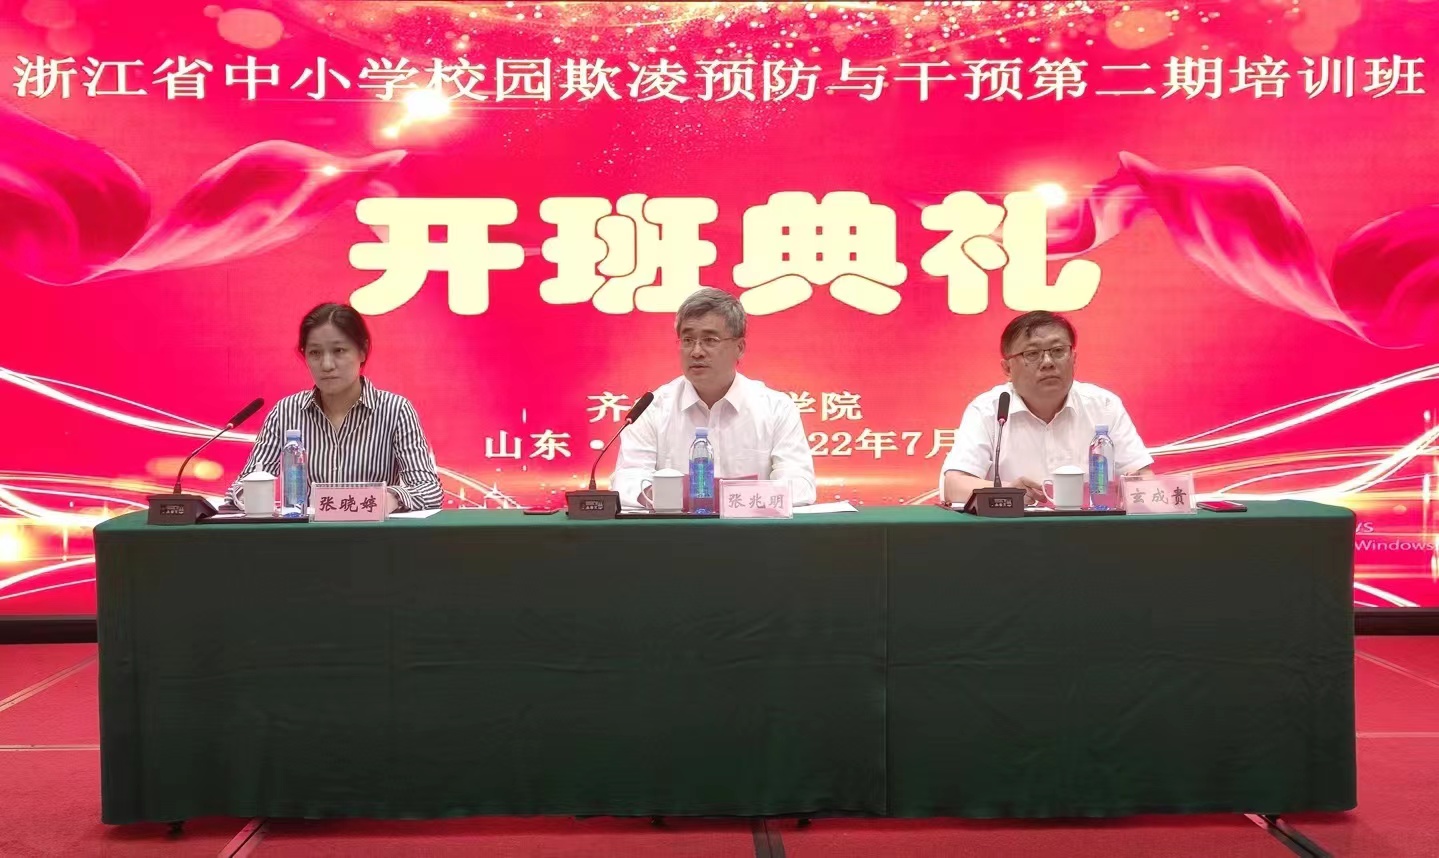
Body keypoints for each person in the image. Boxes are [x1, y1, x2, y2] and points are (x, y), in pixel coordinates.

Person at [224, 302, 443, 512]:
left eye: (339, 351)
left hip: (372, 535)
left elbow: (429, 490)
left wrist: (389, 498)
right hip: (309, 536)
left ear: (363, 351)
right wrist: (248, 498)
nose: (327, 365)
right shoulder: (286, 412)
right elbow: (242, 487)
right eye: (315, 353)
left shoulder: (395, 410)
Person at [612, 287, 817, 509]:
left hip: (751, 529)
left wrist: (730, 498)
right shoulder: (652, 409)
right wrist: (674, 496)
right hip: (676, 529)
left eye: (710, 340)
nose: (696, 351)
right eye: (687, 340)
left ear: (739, 348)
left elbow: (801, 486)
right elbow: (626, 483)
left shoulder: (776, 408)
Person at [940, 310, 1154, 506]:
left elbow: (1142, 478)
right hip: (1012, 531)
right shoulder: (988, 410)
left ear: (1073, 358)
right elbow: (954, 485)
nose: (1048, 362)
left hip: (1090, 530)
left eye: (1058, 351)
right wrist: (1007, 491)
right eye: (1032, 354)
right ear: (1007, 368)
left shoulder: (1104, 406)